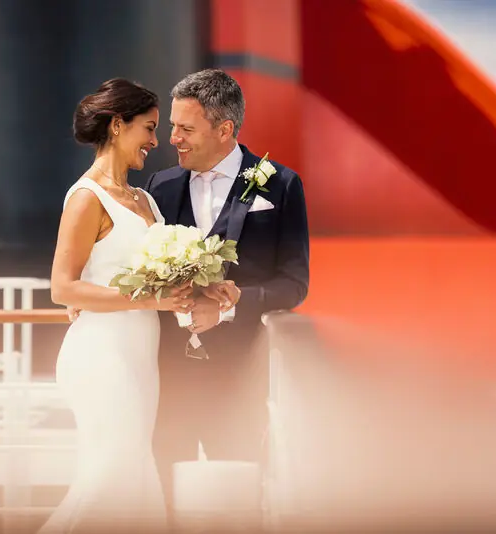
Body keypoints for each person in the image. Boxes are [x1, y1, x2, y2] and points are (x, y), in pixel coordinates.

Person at [146, 68, 310, 520]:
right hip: (168, 374)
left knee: (238, 499)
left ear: (224, 130)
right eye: (172, 126)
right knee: (164, 494)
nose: (173, 138)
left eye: (186, 128)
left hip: (239, 375)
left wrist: (235, 304)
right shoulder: (160, 186)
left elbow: (294, 283)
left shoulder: (280, 185)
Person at [40, 78, 202, 533]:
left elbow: (145, 278)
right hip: (102, 357)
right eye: (148, 128)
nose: (156, 140)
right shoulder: (86, 197)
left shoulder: (144, 199)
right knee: (108, 479)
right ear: (116, 126)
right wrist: (151, 297)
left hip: (140, 356)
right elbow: (62, 288)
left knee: (135, 479)